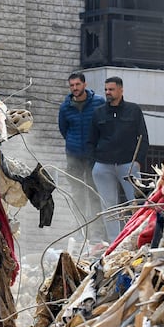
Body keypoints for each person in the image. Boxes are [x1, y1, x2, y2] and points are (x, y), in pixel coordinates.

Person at [87, 77, 149, 242]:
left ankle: (138, 238)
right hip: (103, 165)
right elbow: (91, 140)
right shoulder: (98, 112)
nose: (108, 92)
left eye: (111, 89)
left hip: (128, 165)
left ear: (121, 90)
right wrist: (95, 163)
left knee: (137, 203)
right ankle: (114, 242)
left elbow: (143, 138)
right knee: (109, 207)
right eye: (106, 89)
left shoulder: (134, 110)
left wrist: (138, 162)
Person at [58, 72, 104, 233]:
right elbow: (64, 129)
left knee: (94, 192)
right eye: (72, 85)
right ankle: (80, 231)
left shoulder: (99, 102)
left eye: (77, 84)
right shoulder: (65, 107)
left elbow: (103, 125)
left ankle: (97, 231)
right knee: (77, 193)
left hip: (93, 155)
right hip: (74, 156)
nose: (75, 88)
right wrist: (73, 143)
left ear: (84, 84)